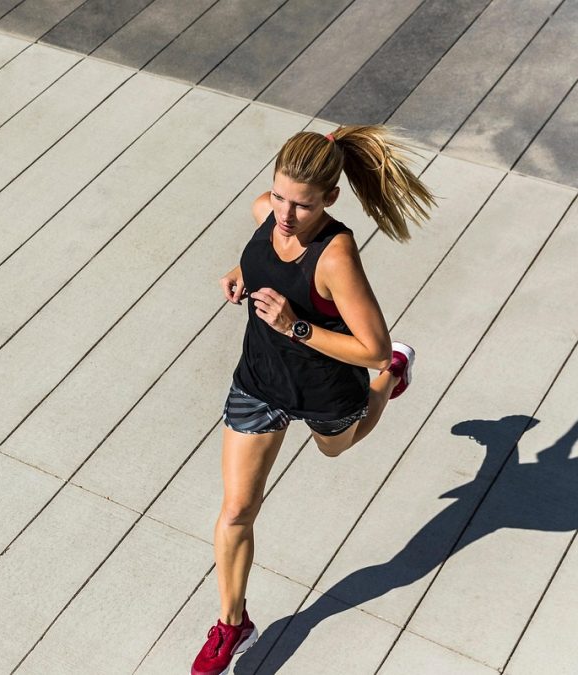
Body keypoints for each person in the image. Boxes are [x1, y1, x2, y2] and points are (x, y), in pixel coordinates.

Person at [191, 126, 436, 675]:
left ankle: (396, 378)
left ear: (329, 198)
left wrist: (296, 326)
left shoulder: (335, 255)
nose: (284, 214)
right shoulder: (267, 212)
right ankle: (233, 625)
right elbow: (262, 253)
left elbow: (369, 347)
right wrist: (240, 273)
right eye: (279, 196)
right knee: (236, 511)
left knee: (337, 448)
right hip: (259, 381)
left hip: (326, 386)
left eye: (301, 205)